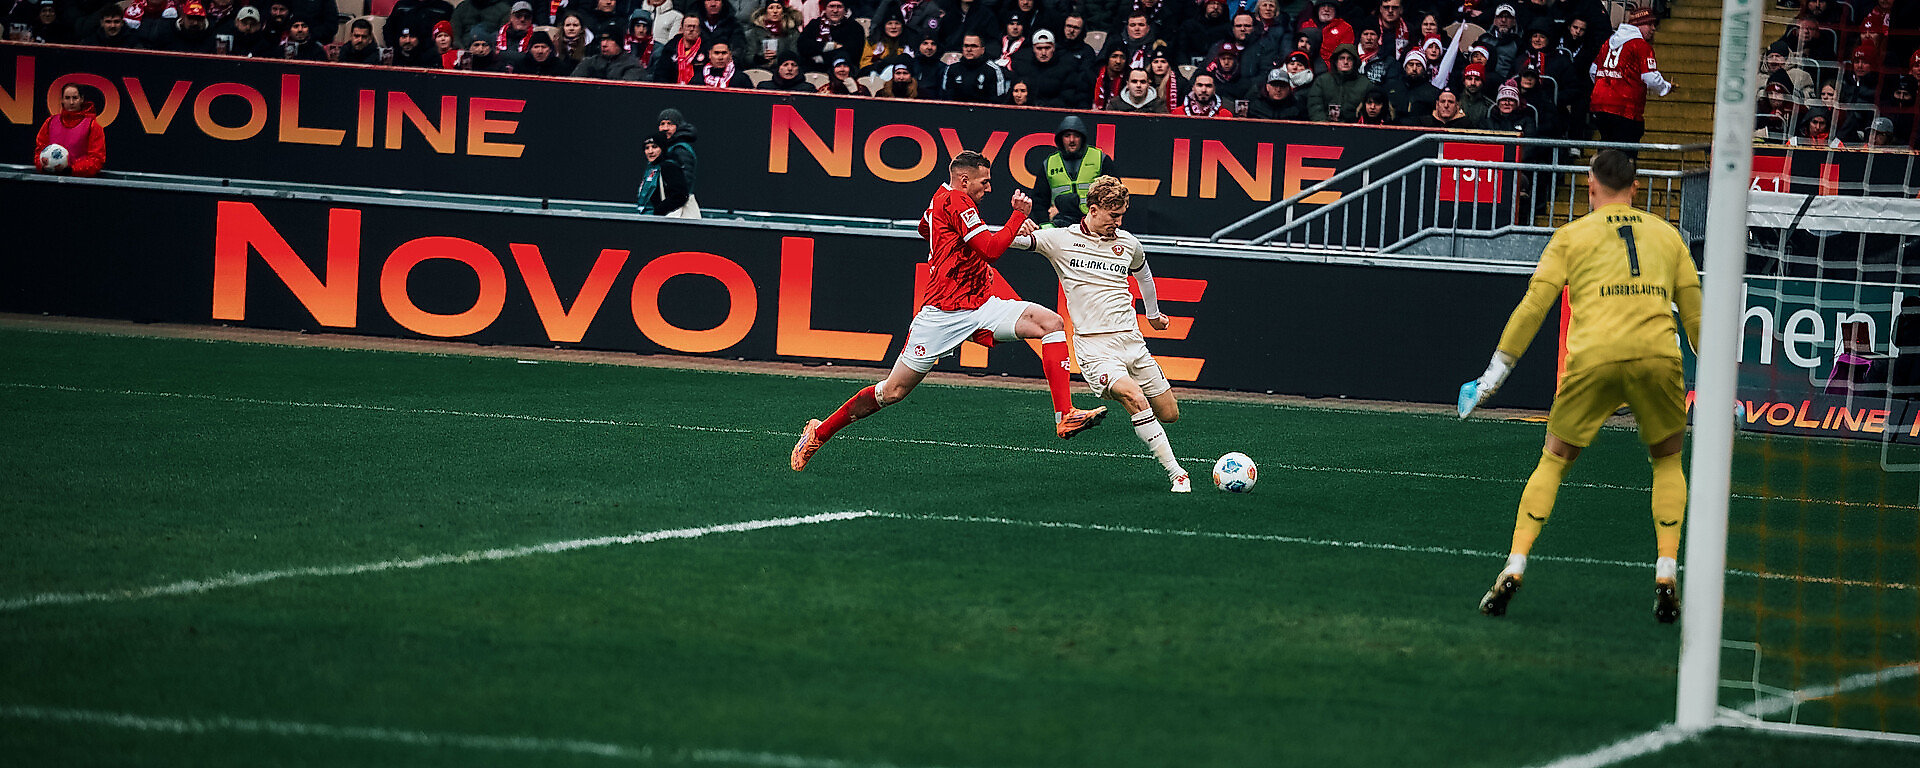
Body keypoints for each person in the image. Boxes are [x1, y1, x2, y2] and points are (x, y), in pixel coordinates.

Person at [1462, 150, 1701, 624]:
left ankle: (1516, 562)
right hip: (1657, 357)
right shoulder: (1668, 235)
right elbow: (1695, 316)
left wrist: (1491, 378)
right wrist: (1723, 387)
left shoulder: (1571, 236)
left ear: (1590, 187)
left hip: (1593, 358)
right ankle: (1667, 568)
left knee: (1553, 461)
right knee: (1668, 461)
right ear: (1635, 188)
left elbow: (1534, 307)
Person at [790, 151, 1108, 471]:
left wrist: (951, 244)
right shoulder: (956, 202)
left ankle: (1065, 415)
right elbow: (990, 250)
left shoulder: (940, 198)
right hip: (942, 314)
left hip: (981, 304)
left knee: (1050, 322)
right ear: (964, 179)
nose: (989, 188)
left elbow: (923, 227)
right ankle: (819, 432)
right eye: (985, 181)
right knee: (893, 391)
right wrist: (1016, 217)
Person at [1011, 176, 1189, 492]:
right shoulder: (1060, 240)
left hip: (1133, 343)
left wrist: (1153, 314)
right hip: (1095, 348)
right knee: (1134, 396)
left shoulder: (1128, 244)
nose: (1118, 223)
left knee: (1170, 414)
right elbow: (1009, 242)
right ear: (1093, 210)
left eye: (1122, 216)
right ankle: (1177, 474)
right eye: (1113, 216)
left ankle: (1132, 402)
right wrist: (1017, 225)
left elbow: (1144, 276)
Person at [1589, 6, 1673, 148]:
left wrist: (1605, 85)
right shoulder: (1641, 46)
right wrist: (1665, 87)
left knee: (1606, 150)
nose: (1653, 29)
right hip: (1626, 108)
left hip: (1600, 105)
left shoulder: (1608, 43)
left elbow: (1593, 70)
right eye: (1649, 24)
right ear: (1638, 25)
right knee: (1625, 155)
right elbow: (1650, 77)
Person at [1032, 115, 1118, 216]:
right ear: (1061, 139)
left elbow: (1114, 194)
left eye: (1076, 136)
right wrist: (1045, 225)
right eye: (1067, 135)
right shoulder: (1050, 163)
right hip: (1060, 222)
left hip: (1092, 220)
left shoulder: (1099, 158)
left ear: (1082, 138)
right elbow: (1039, 201)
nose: (1072, 140)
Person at [34, 84, 106, 178]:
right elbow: (39, 151)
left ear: (81, 99)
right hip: (50, 180)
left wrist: (70, 170)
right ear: (62, 100)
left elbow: (96, 159)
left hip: (79, 183)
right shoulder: (50, 122)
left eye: (75, 98)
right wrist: (44, 166)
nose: (71, 102)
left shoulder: (93, 126)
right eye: (67, 98)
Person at [656, 108, 700, 218]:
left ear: (678, 126)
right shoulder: (667, 149)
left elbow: (684, 187)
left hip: (677, 211)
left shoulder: (680, 149)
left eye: (670, 124)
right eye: (662, 124)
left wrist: (665, 206)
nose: (665, 128)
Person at [943, 34, 1009, 103]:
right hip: (956, 112)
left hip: (984, 112)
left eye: (974, 46)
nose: (969, 49)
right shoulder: (952, 68)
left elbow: (997, 101)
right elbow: (946, 98)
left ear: (982, 50)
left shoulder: (993, 70)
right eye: (966, 46)